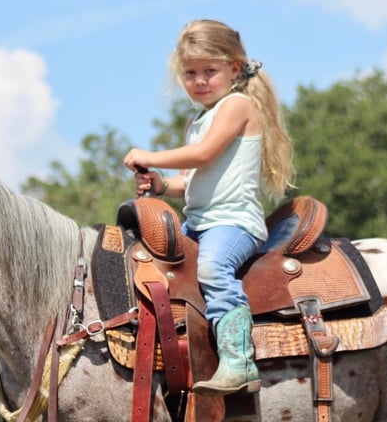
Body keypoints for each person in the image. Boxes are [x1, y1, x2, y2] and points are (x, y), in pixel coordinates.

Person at [124, 19, 294, 396]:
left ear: (234, 69)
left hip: (233, 223)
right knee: (153, 269)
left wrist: (148, 154)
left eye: (209, 71)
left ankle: (238, 361)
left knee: (214, 268)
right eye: (190, 73)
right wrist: (161, 184)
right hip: (198, 223)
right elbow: (190, 181)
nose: (199, 81)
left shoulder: (237, 106)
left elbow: (203, 155)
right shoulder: (197, 121)